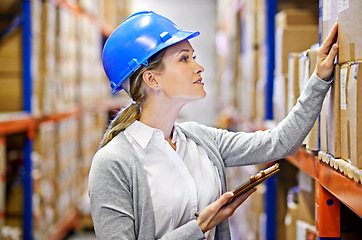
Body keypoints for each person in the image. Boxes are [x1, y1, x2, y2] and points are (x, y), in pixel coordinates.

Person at [88, 11, 338, 240]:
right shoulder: (113, 163)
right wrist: (200, 227)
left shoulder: (200, 139)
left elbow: (279, 143)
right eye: (184, 59)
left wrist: (319, 79)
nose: (199, 67)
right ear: (152, 79)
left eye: (193, 57)